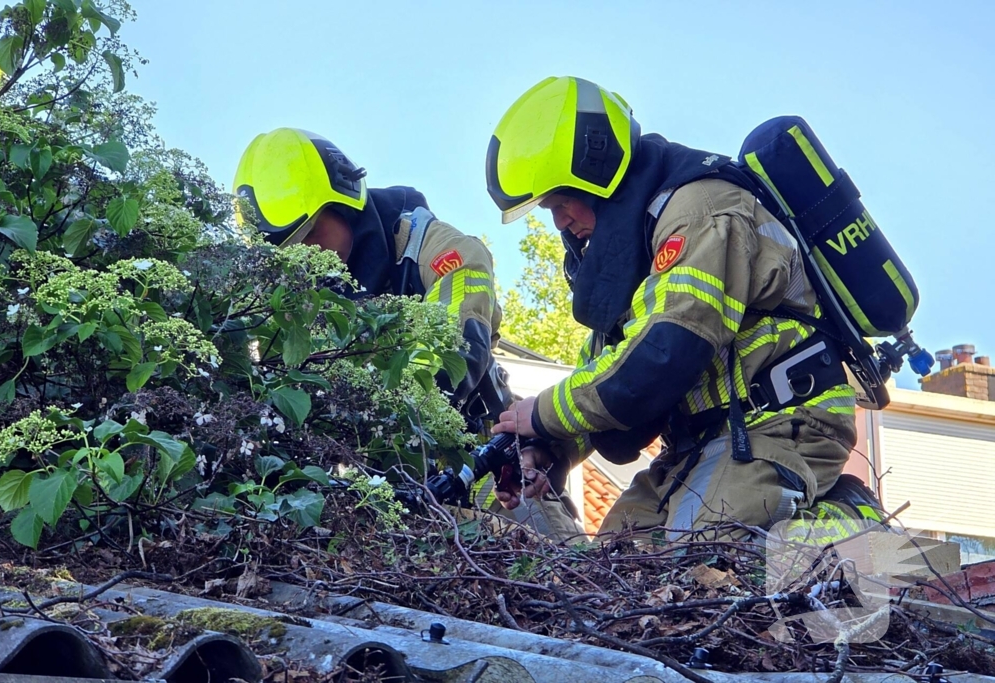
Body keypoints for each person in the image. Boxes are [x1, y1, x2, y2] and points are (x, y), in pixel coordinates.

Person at [485, 76, 885, 542]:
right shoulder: (627, 248)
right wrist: (545, 449)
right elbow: (609, 372)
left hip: (782, 420)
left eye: (563, 201)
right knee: (616, 570)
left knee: (702, 553)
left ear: (596, 170)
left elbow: (668, 351)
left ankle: (849, 517)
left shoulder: (702, 209)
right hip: (699, 443)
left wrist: (541, 412)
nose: (559, 222)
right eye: (546, 209)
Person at [234, 127, 585, 541]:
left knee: (554, 565)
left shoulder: (427, 245)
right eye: (291, 250)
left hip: (487, 462)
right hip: (374, 490)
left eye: (312, 233)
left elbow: (460, 332)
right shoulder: (292, 306)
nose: (308, 257)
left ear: (345, 202)